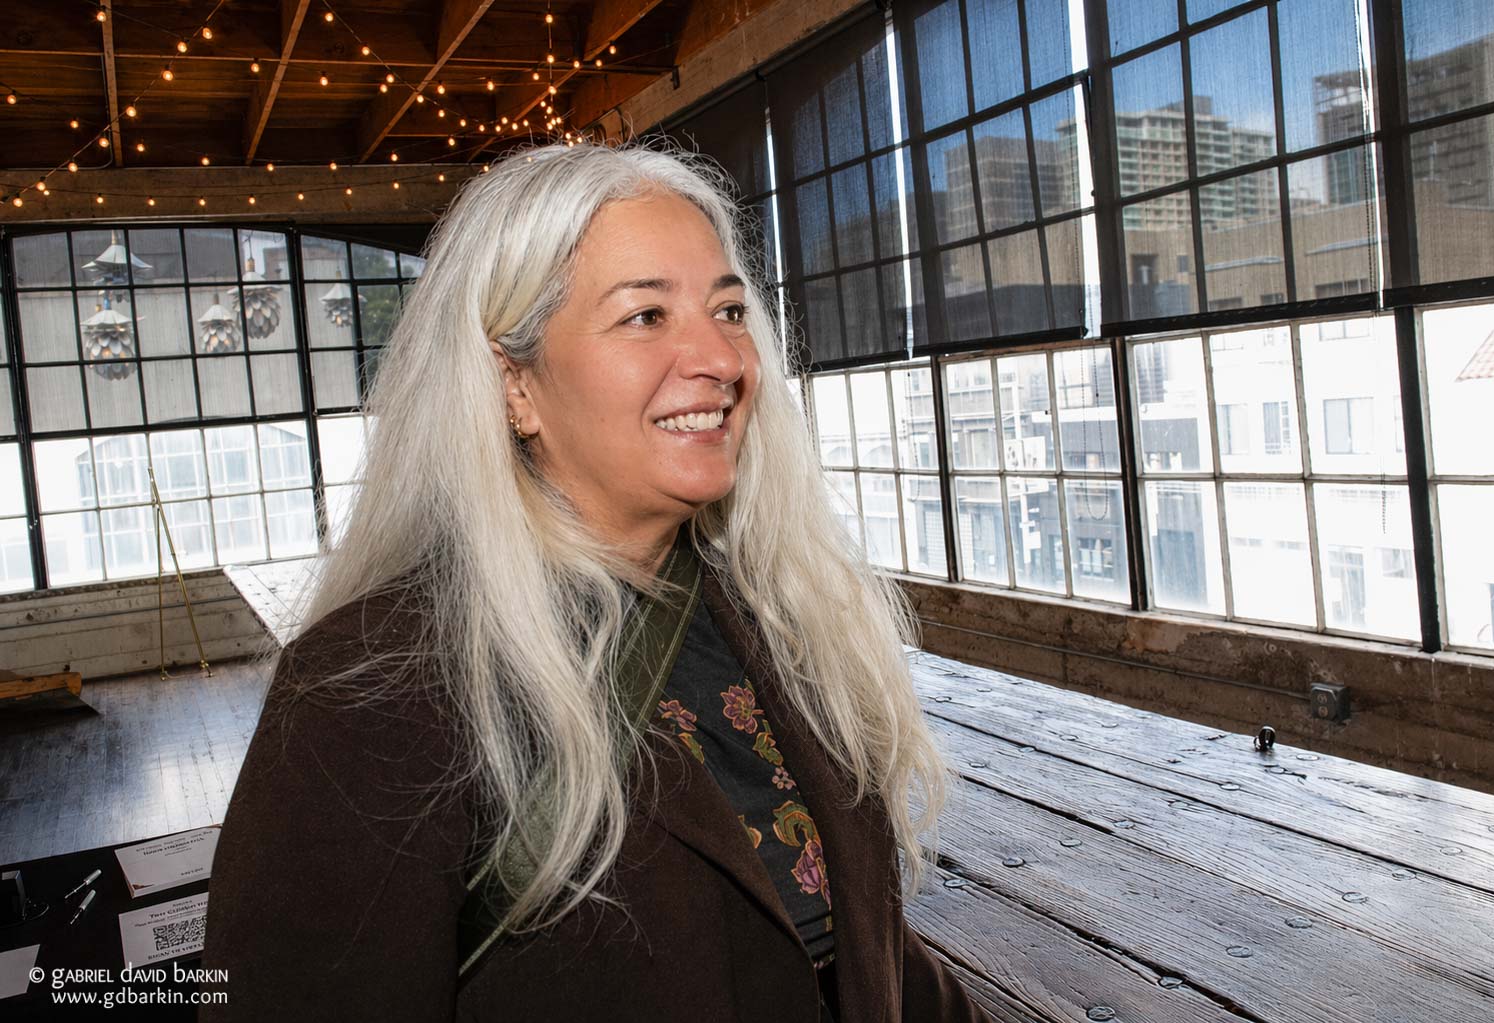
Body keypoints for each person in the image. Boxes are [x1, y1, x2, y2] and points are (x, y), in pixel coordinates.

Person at [199, 139, 990, 1022]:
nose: (722, 358)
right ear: (514, 385)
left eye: (729, 309)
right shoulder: (371, 691)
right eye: (646, 315)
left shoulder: (775, 614)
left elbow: (861, 951)